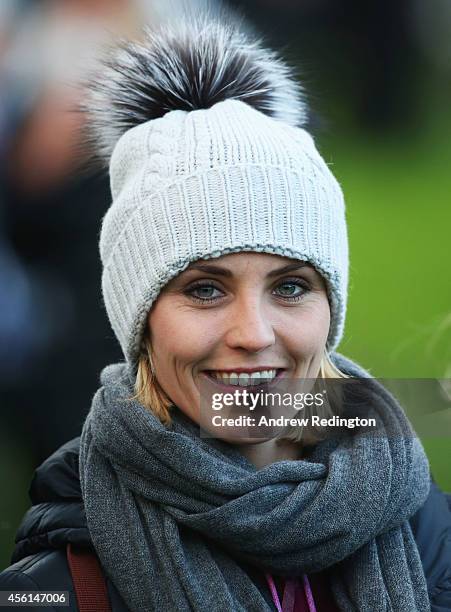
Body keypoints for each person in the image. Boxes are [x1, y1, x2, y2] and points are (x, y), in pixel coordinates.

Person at [1, 10, 451, 612]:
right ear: (138, 319)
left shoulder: (428, 533)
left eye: (290, 288)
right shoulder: (59, 584)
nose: (254, 333)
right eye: (206, 290)